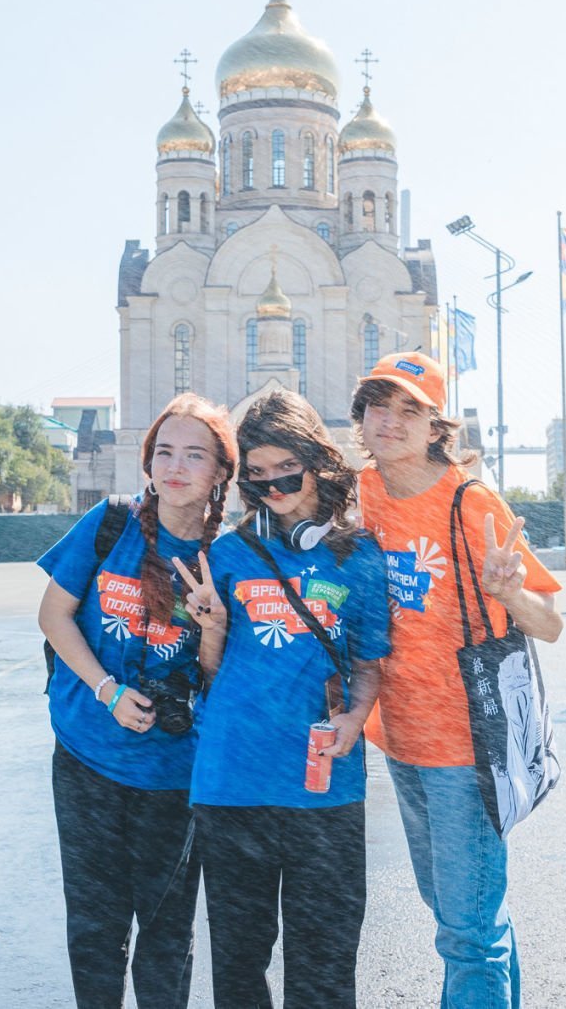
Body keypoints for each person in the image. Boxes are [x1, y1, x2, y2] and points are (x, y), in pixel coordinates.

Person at [351, 352, 563, 1008]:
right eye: (379, 405)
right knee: (459, 908)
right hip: (399, 736)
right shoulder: (363, 490)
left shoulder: (471, 502)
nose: (390, 421)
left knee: (466, 928)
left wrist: (510, 592)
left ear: (435, 425)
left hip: (466, 745)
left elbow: (549, 623)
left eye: (409, 409)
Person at [173, 389, 389, 1009]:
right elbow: (211, 673)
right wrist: (212, 627)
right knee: (240, 963)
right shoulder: (227, 554)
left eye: (286, 469)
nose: (273, 486)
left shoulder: (359, 555)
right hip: (232, 783)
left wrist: (356, 717)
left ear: (317, 463)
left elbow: (369, 665)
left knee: (325, 960)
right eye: (258, 474)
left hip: (324, 787)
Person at [35, 393, 235, 1009]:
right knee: (94, 927)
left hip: (174, 771)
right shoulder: (110, 524)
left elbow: (217, 680)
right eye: (164, 452)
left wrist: (212, 628)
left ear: (220, 472)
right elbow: (53, 616)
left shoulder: (228, 559)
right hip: (87, 757)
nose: (175, 467)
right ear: (147, 462)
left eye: (194, 455)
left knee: (167, 934)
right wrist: (108, 690)